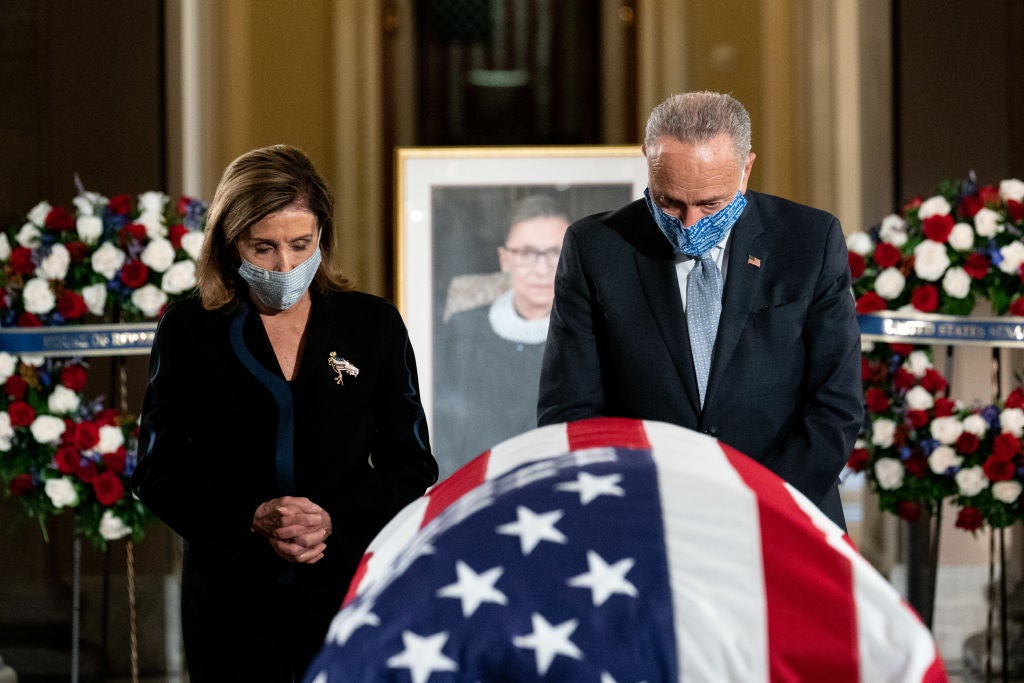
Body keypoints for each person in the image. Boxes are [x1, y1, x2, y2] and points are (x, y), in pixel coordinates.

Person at [131, 144, 438, 680]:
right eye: (264, 248)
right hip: (231, 593)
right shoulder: (188, 331)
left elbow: (410, 464)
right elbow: (159, 474)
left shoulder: (372, 325)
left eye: (301, 244)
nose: (285, 265)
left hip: (348, 583)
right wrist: (251, 517)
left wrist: (330, 521)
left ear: (323, 236)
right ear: (231, 246)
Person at [537, 91, 863, 528]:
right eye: (670, 202)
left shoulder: (809, 241)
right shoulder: (595, 248)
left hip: (785, 514)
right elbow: (570, 411)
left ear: (746, 170)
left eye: (710, 204)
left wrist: (749, 507)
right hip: (642, 518)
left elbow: (835, 406)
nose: (689, 223)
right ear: (647, 162)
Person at [433, 194, 569, 477]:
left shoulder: (591, 337)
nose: (542, 269)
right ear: (505, 260)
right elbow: (443, 436)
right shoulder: (462, 333)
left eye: (557, 252)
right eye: (527, 253)